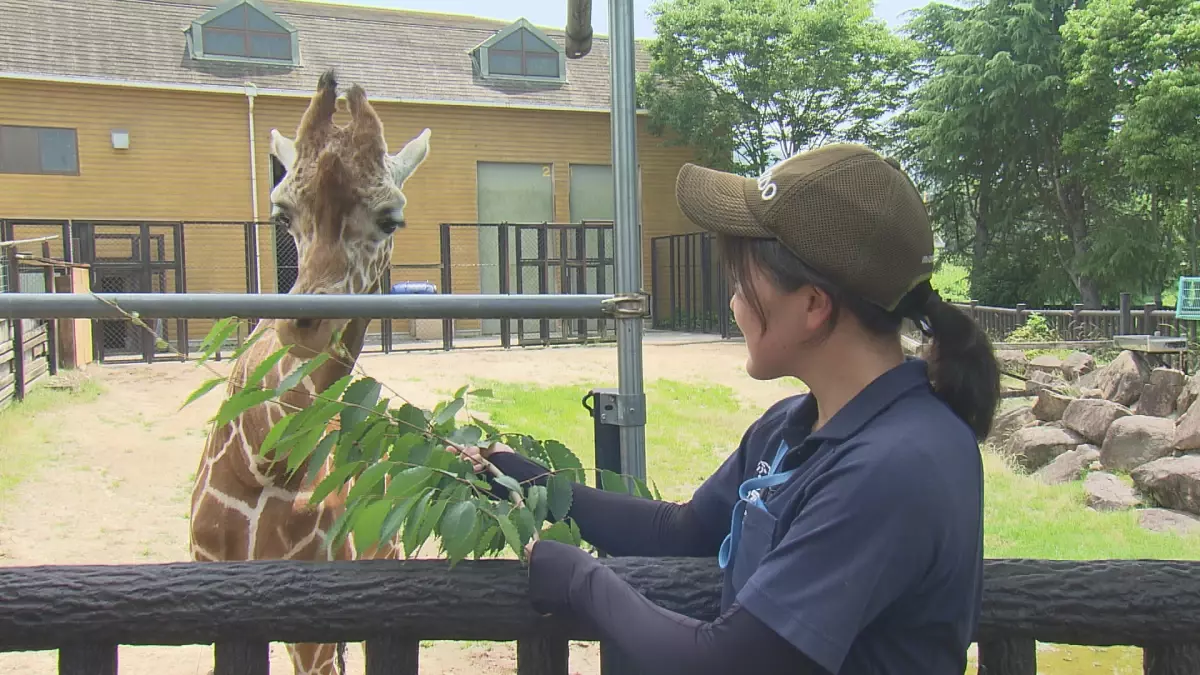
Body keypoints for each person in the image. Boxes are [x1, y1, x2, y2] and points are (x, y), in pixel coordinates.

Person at [453, 143, 1000, 675]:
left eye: (743, 280)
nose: (734, 301)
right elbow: (682, 532)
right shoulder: (790, 427)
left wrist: (581, 581)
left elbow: (728, 661)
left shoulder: (899, 466)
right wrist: (527, 480)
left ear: (813, 305)